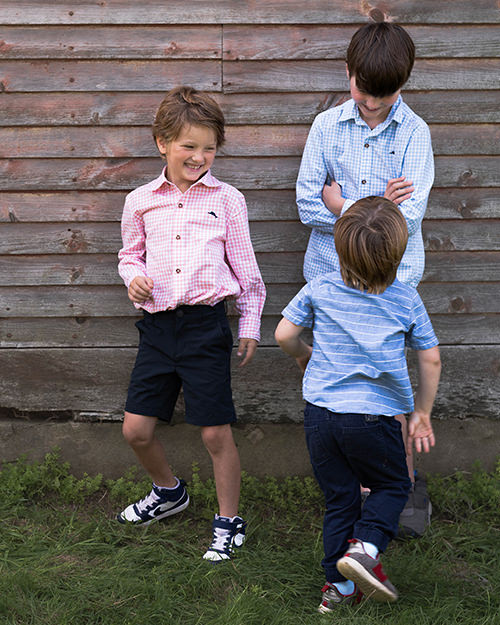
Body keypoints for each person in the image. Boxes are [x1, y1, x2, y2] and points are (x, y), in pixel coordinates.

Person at [117, 86, 266, 562]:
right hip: (158, 329)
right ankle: (168, 491)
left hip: (205, 327)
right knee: (135, 430)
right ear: (161, 141)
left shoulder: (228, 200)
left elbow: (247, 271)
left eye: (209, 147)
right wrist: (134, 277)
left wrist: (249, 325)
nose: (200, 156)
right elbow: (129, 254)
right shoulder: (140, 200)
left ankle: (228, 521)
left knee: (214, 433)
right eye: (189, 146)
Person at [275, 197, 441, 612]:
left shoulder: (320, 288)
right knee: (393, 485)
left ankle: (338, 591)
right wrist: (421, 412)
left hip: (321, 417)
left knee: (340, 499)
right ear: (399, 251)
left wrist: (302, 355)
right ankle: (365, 548)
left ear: (339, 246)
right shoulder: (405, 299)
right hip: (375, 418)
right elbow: (430, 356)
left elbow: (282, 334)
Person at [296, 20, 435, 506]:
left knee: (388, 381)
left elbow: (409, 219)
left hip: (391, 284)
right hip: (331, 280)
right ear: (348, 70)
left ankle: (403, 485)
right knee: (335, 387)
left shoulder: (416, 134)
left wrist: (343, 204)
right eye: (362, 89)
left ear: (403, 84)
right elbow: (305, 205)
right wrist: (379, 202)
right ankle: (349, 491)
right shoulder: (325, 128)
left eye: (383, 94)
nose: (370, 102)